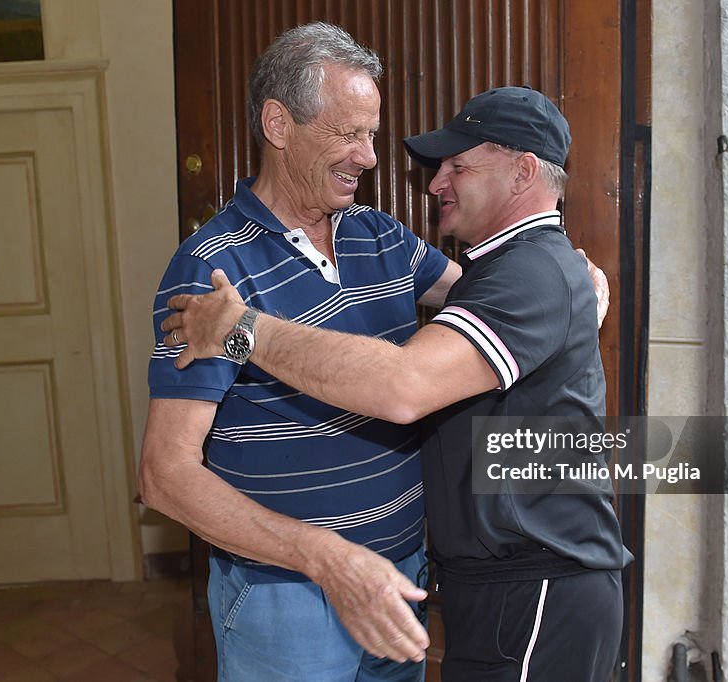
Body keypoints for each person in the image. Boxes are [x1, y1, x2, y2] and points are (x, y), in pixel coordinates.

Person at [141, 22, 608, 680]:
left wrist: (573, 288)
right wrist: (324, 559)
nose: (368, 157)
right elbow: (164, 476)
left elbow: (491, 312)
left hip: (399, 586)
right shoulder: (211, 272)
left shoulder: (380, 237)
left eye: (371, 135)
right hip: (289, 601)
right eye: (348, 133)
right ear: (278, 123)